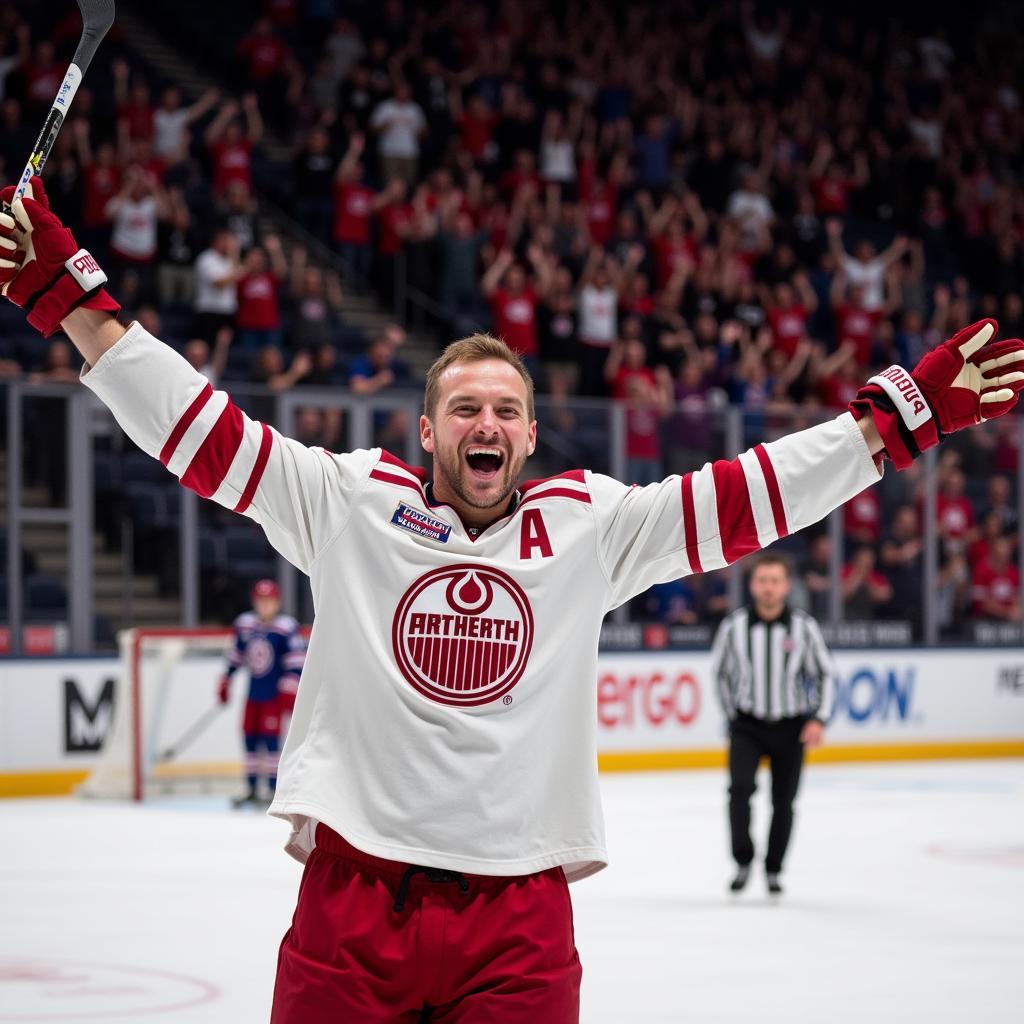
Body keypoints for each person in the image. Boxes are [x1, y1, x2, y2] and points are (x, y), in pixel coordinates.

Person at [2, 175, 1023, 1022]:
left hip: (518, 918)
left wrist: (897, 424)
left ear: (529, 437)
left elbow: (745, 496)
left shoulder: (590, 526)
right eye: (463, 408)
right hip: (351, 904)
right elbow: (198, 427)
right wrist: (74, 299)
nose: (483, 422)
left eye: (505, 409)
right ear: (430, 431)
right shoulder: (349, 500)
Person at [711, 555, 836, 896]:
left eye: (775, 580)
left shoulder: (803, 627)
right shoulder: (734, 627)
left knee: (784, 801)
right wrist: (731, 715)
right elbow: (720, 673)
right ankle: (743, 860)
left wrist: (817, 719)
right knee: (739, 792)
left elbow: (824, 674)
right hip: (748, 725)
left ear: (786, 586)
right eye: (762, 579)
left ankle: (774, 869)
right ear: (753, 585)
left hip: (790, 726)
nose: (768, 586)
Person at [218, 579, 306, 807]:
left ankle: (273, 789)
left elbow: (295, 661)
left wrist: (289, 689)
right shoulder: (245, 624)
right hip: (253, 694)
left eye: (269, 601)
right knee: (249, 737)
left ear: (277, 602)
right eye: (261, 601)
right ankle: (251, 787)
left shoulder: (286, 627)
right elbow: (236, 654)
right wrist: (226, 679)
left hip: (274, 696)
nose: (265, 605)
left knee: (271, 741)